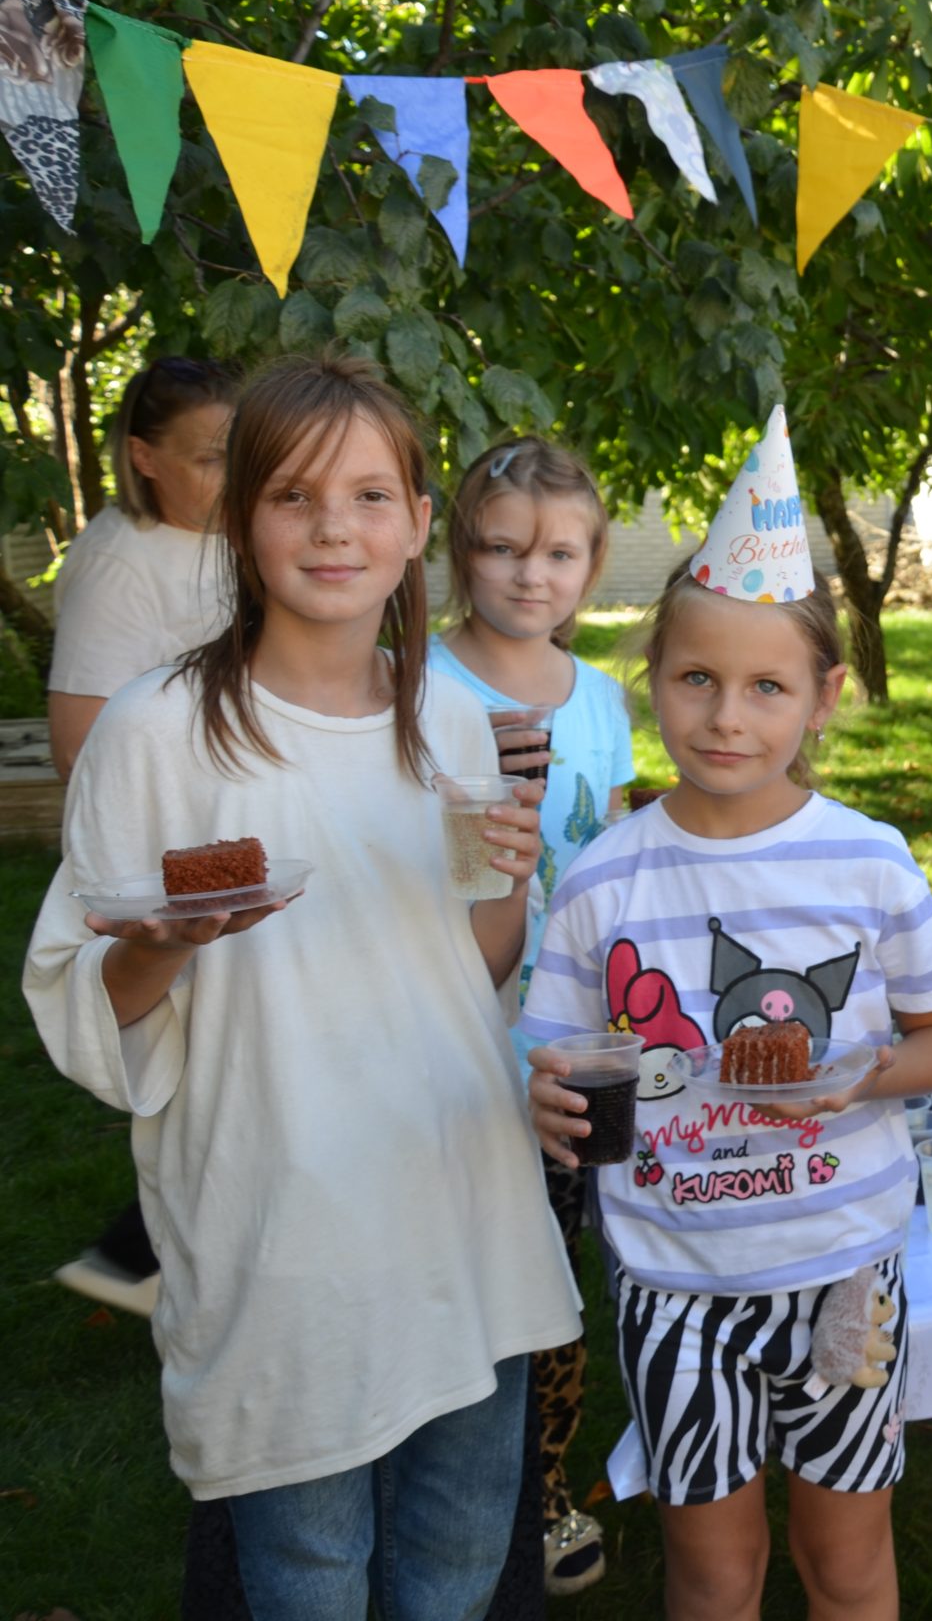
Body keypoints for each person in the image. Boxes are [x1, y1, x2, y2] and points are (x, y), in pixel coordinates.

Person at [20, 353, 577, 1615]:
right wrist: (168, 938)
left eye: (371, 496)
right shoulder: (157, 734)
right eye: (294, 495)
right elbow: (83, 1006)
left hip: (459, 1205)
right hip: (284, 1232)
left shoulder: (449, 722)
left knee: (454, 1569)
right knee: (310, 1575)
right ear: (240, 519)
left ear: (418, 523)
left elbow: (473, 968)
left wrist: (508, 873)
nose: (335, 527)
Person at [523, 408, 932, 1621]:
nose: (727, 716)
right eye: (697, 679)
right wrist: (549, 1097)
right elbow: (552, 1054)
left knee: (846, 1562)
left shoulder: (869, 862)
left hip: (843, 1269)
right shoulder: (604, 880)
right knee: (715, 1573)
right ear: (654, 681)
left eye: (767, 686)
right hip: (674, 1280)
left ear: (824, 697)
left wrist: (864, 1077)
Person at [426, 436, 633, 1599]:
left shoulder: (597, 696)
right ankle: (441, 1482)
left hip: (570, 1045)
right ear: (463, 551)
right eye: (503, 548)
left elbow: (612, 850)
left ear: (591, 565)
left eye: (558, 554)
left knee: (556, 1275)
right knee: (463, 1275)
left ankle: (543, 1490)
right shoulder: (416, 687)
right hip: (455, 1036)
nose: (529, 574)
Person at [45, 354, 237, 1316]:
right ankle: (142, 1257)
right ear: (143, 457)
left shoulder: (226, 535)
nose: (232, 476)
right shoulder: (122, 563)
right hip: (182, 867)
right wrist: (167, 866)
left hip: (239, 851)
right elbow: (79, 743)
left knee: (237, 1062)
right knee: (203, 1070)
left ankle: (162, 1255)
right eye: (209, 457)